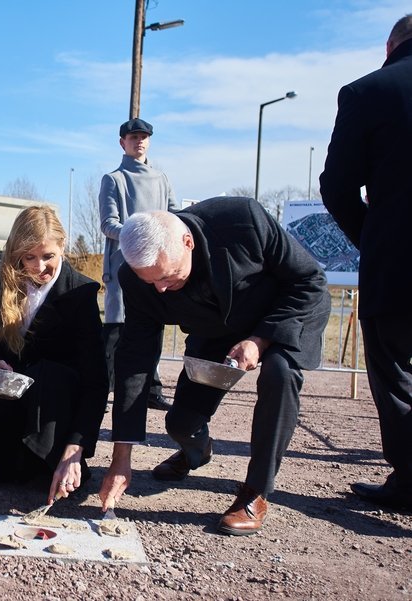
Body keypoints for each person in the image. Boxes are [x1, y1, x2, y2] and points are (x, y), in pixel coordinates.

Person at [99, 200, 330, 536]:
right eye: (151, 282)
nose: (160, 289)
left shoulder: (243, 222)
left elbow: (309, 281)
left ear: (187, 242)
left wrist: (260, 339)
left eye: (166, 276)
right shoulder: (137, 280)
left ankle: (256, 491)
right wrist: (121, 457)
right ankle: (194, 453)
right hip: (213, 328)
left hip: (283, 313)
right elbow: (134, 360)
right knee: (180, 422)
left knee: (280, 373)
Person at [0, 206, 108, 505]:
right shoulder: (1, 273)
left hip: (54, 402)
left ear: (62, 246)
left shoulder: (81, 293)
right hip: (10, 392)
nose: (38, 267)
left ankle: (50, 459)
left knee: (48, 374)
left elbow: (96, 379)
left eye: (48, 256)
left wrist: (77, 446)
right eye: (29, 257)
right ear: (17, 253)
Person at [319, 14, 412, 510]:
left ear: (389, 44)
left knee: (395, 371)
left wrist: (372, 238)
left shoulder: (366, 92)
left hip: (397, 261)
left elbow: (336, 185)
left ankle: (410, 480)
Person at [99, 117, 178, 412]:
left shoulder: (162, 178)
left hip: (157, 262)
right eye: (133, 137)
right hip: (123, 263)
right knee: (116, 328)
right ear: (123, 142)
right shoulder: (113, 179)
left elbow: (173, 215)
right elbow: (108, 224)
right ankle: (99, 389)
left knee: (151, 324)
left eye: (144, 136)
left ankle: (151, 387)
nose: (139, 140)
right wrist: (141, 236)